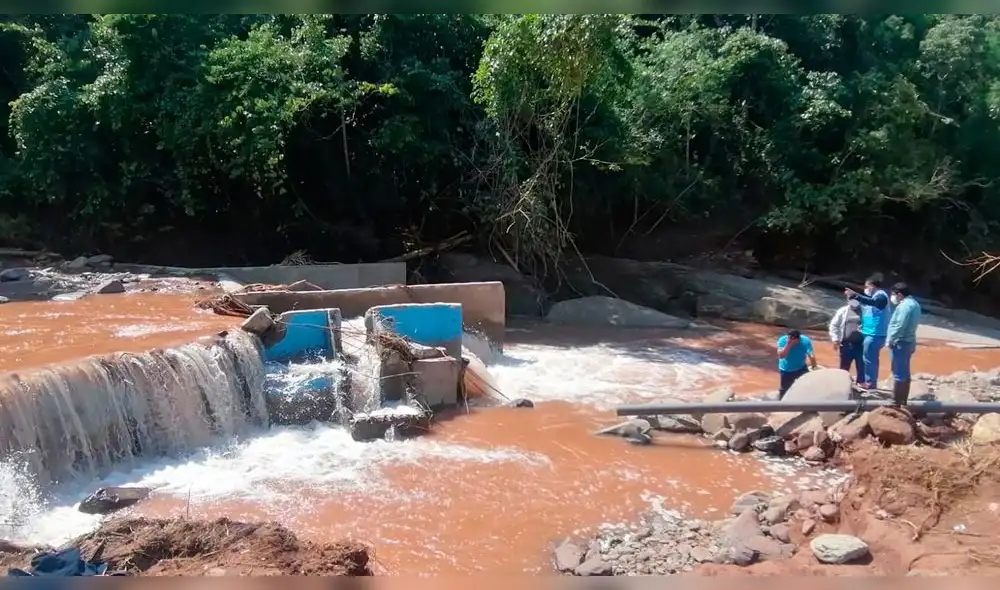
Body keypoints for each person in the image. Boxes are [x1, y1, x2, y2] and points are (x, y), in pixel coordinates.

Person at [844, 274, 891, 390]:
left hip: (876, 334)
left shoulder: (881, 297)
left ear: (872, 285)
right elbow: (870, 312)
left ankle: (870, 383)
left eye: (867, 286)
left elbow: (873, 303)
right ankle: (866, 380)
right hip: (868, 332)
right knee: (866, 358)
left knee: (870, 359)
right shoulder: (874, 296)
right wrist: (863, 326)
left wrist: (855, 295)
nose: (866, 289)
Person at [886, 282, 921, 406]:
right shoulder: (915, 304)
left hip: (901, 342)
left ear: (900, 295)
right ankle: (903, 401)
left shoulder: (905, 306)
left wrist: (891, 339)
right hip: (909, 341)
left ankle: (895, 401)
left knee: (898, 371)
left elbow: (899, 325)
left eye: (894, 295)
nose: (893, 297)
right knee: (905, 371)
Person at [828, 298, 863, 381]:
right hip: (846, 343)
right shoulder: (842, 311)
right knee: (844, 366)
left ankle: (861, 384)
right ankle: (842, 382)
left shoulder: (865, 311)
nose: (853, 306)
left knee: (862, 366)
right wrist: (835, 339)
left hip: (861, 344)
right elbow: (834, 325)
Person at [776, 329, 817, 399]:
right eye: (789, 338)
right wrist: (788, 345)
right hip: (786, 370)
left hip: (801, 368)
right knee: (785, 389)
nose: (790, 340)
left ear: (798, 339)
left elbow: (811, 356)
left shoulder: (805, 341)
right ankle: (781, 405)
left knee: (808, 385)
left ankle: (807, 403)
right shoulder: (783, 340)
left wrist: (814, 367)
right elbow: (781, 356)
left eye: (793, 339)